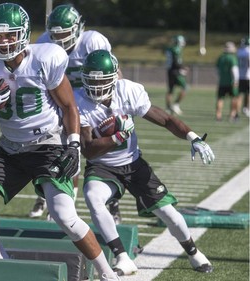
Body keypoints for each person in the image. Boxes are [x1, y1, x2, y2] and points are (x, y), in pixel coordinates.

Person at [0, 4, 120, 281]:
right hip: (10, 147)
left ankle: (107, 273)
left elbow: (68, 107)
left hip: (49, 145)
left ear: (25, 34)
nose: (4, 41)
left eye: (10, 35)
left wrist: (74, 144)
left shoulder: (46, 57)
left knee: (64, 216)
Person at [75, 49, 215, 276]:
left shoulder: (127, 91)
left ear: (114, 78)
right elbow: (89, 150)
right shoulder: (79, 100)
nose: (96, 87)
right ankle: (122, 256)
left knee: (170, 214)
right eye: (91, 80)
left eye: (101, 81)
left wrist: (192, 136)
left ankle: (193, 251)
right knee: (92, 197)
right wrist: (117, 137)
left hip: (133, 163)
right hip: (103, 166)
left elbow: (166, 119)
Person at [29, 4, 122, 224]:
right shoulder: (43, 42)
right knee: (49, 150)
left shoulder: (92, 41)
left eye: (64, 34)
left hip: (91, 104)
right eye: (56, 35)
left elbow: (112, 72)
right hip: (60, 104)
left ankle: (112, 203)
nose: (60, 40)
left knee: (103, 153)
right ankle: (48, 198)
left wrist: (114, 105)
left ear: (78, 28)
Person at [215, 41, 239, 122]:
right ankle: (232, 115)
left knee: (220, 99)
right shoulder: (232, 58)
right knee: (234, 98)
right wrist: (235, 80)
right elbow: (234, 70)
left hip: (222, 81)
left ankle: (218, 116)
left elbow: (217, 70)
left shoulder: (220, 57)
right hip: (231, 82)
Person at [165, 35, 188, 115]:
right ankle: (176, 104)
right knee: (185, 87)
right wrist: (183, 67)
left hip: (170, 70)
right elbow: (176, 62)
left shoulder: (169, 49)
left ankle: (168, 108)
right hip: (176, 71)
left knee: (170, 90)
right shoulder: (176, 49)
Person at [237, 36, 249, 117]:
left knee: (239, 94)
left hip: (239, 75)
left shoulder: (239, 51)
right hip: (248, 75)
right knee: (248, 94)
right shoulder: (248, 51)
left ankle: (236, 112)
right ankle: (247, 109)